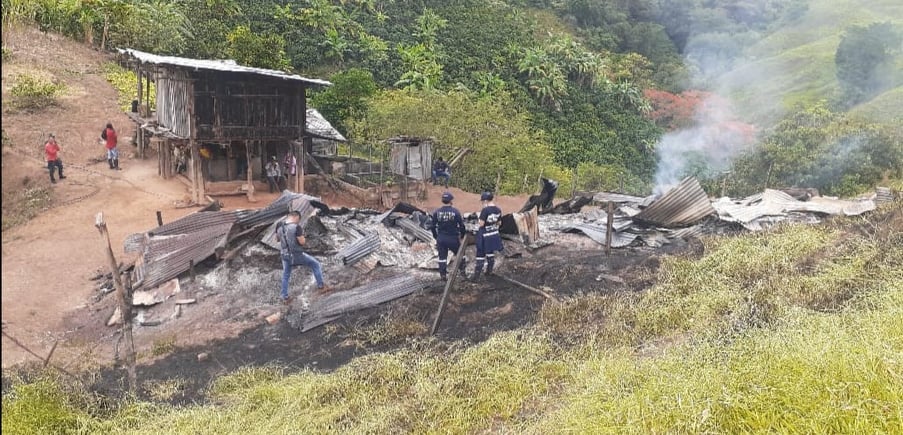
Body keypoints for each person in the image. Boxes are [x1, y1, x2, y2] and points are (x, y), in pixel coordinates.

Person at [276, 211, 331, 304]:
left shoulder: (279, 226)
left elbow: (277, 239)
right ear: (296, 217)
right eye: (298, 220)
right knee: (315, 264)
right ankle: (321, 286)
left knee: (286, 275)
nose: (298, 222)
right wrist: (303, 237)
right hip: (297, 255)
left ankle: (284, 296)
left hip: (285, 255)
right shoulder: (296, 227)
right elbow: (302, 242)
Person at [429, 192, 467, 281]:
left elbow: (432, 226)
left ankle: (443, 275)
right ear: (451, 201)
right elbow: (462, 226)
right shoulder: (455, 212)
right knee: (460, 254)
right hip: (453, 238)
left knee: (442, 257)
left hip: (441, 238)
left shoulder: (437, 212)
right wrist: (463, 235)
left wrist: (436, 236)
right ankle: (462, 272)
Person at [470, 191, 503, 281]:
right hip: (493, 234)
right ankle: (489, 271)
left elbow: (481, 224)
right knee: (490, 252)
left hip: (484, 235)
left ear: (485, 201)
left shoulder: (485, 210)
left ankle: (476, 277)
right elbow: (500, 223)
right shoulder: (498, 210)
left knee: (480, 254)